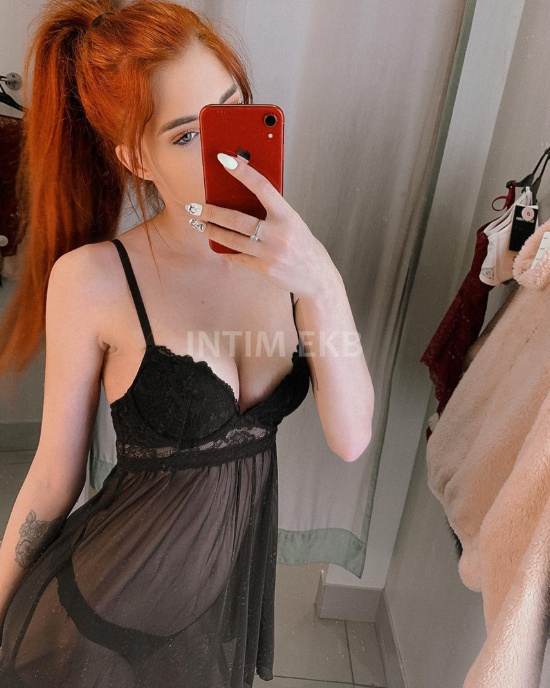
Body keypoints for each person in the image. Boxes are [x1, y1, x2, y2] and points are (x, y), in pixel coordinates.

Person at [0, 0, 374, 685]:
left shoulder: (295, 264)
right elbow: (53, 478)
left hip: (206, 620)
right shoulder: (92, 280)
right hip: (99, 617)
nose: (224, 155)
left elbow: (350, 438)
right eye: (185, 136)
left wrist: (322, 280)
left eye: (230, 112)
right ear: (135, 158)